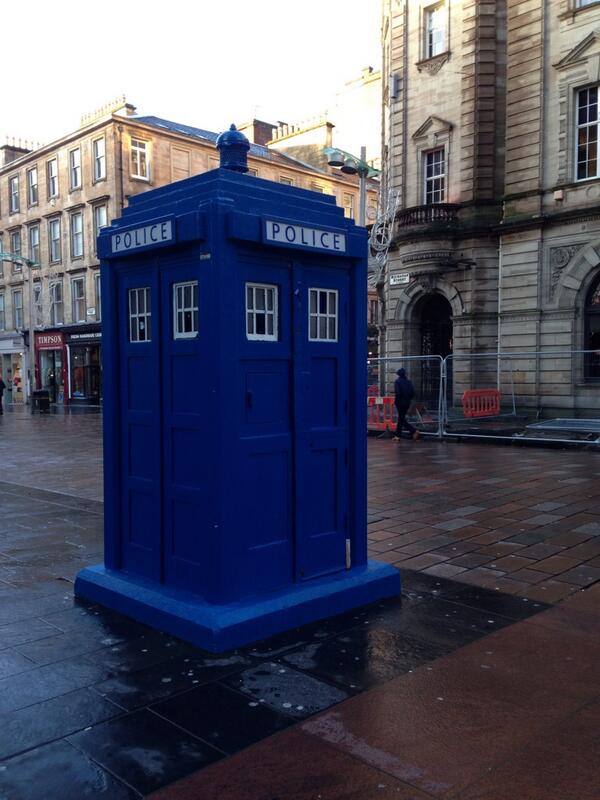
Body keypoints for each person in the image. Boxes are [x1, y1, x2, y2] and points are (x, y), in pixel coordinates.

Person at [392, 368, 419, 441]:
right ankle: (397, 436)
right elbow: (412, 393)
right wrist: (408, 399)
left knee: (401, 419)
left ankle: (413, 431)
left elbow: (398, 393)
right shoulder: (408, 382)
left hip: (400, 403)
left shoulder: (397, 382)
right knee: (401, 419)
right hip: (407, 403)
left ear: (398, 374)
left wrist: (396, 402)